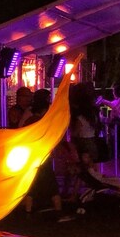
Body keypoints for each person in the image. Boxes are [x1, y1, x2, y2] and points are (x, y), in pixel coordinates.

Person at [21, 90, 72, 221]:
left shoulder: (30, 120)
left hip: (31, 156)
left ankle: (28, 212)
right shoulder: (42, 122)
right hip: (43, 156)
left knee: (33, 184)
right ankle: (58, 212)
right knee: (52, 184)